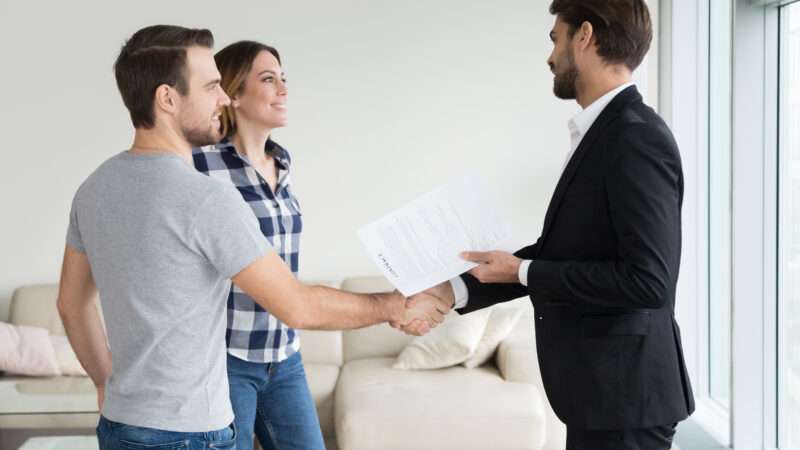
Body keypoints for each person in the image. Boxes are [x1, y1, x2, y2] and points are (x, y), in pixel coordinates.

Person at [56, 24, 448, 450]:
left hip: (120, 424)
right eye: (211, 87)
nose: (223, 98)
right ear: (167, 98)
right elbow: (296, 305)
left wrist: (103, 380)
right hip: (190, 432)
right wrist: (393, 305)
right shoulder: (206, 198)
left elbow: (71, 304)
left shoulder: (94, 187)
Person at [411, 1, 694, 449]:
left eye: (555, 39)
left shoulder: (634, 136)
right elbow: (563, 252)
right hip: (603, 398)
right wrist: (452, 291)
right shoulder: (605, 132)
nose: (550, 57)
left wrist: (521, 271)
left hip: (626, 401)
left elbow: (648, 281)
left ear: (584, 36)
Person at [191, 40, 327, 450]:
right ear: (231, 93)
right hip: (225, 359)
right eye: (269, 79)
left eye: (284, 79)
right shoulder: (200, 165)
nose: (283, 89)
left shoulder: (283, 165)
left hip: (284, 356)